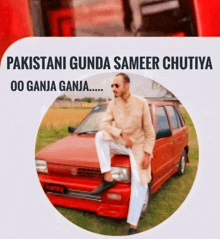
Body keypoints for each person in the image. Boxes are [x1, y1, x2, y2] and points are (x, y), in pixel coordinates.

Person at [91, 73, 155, 235]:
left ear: (127, 85)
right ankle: (108, 177)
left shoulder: (141, 103)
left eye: (116, 85)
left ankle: (133, 225)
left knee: (140, 182)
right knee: (100, 136)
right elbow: (103, 125)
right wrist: (120, 133)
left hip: (138, 146)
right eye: (112, 86)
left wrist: (147, 154)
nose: (113, 89)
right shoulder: (112, 104)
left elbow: (150, 132)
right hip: (121, 142)